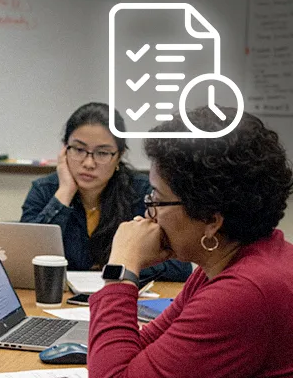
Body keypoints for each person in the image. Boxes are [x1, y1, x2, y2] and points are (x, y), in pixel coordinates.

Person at [88, 107, 293, 378]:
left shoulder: (246, 292)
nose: (148, 213)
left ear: (212, 220)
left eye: (157, 198)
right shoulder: (233, 262)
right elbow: (145, 346)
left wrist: (121, 270)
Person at [20, 102, 191, 282]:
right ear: (64, 150)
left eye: (102, 153)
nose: (88, 163)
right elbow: (26, 258)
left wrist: (116, 264)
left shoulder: (145, 193)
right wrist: (64, 193)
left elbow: (178, 266)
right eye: (78, 150)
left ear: (119, 155)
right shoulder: (45, 190)